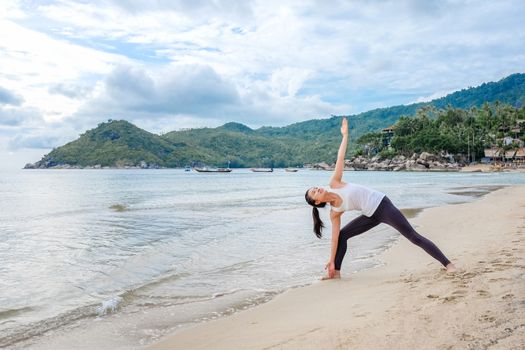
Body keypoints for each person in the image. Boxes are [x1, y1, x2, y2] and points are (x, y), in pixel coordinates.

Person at [304, 117, 456, 279]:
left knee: (413, 236)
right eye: (314, 193)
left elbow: (340, 158)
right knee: (342, 235)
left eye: (315, 188)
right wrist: (331, 260)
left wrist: (345, 136)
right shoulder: (334, 212)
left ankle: (448, 264)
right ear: (318, 202)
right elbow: (334, 240)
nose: (317, 189)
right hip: (370, 215)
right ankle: (336, 273)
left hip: (382, 205)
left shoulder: (334, 183)